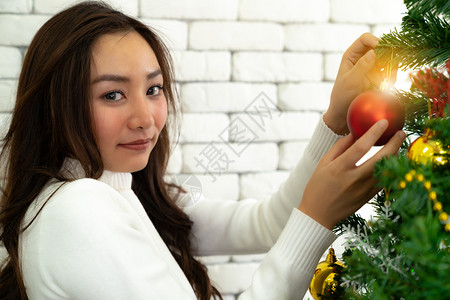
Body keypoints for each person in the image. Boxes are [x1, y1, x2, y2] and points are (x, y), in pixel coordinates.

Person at [0, 1, 406, 299]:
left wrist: (335, 122)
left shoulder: (127, 192)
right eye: (112, 94)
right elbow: (289, 223)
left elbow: (267, 223)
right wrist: (316, 218)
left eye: (153, 89)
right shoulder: (77, 207)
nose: (145, 117)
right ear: (57, 105)